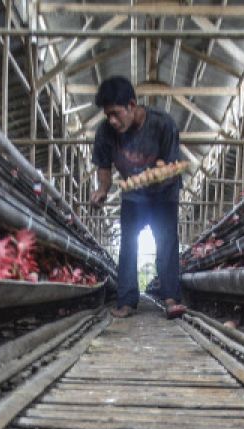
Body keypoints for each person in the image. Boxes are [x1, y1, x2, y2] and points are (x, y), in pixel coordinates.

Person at [89, 76, 186, 320]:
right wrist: (102, 189)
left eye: (116, 113)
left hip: (164, 194)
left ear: (132, 105)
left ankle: (171, 298)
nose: (112, 120)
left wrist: (158, 174)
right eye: (107, 115)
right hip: (133, 198)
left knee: (166, 243)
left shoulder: (163, 124)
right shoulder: (105, 133)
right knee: (128, 245)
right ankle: (127, 301)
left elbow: (171, 165)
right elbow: (104, 169)